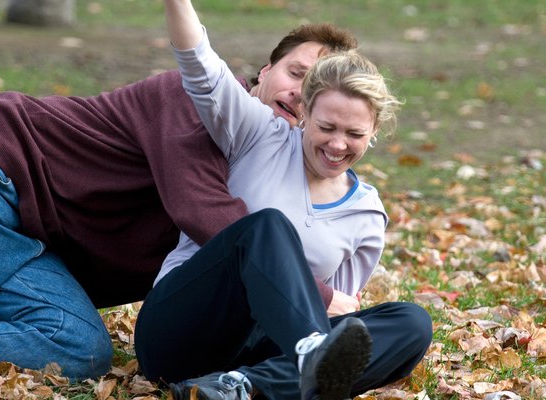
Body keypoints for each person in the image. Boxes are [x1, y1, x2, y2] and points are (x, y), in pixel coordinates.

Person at [0, 17, 359, 378]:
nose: (300, 94)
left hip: (27, 239)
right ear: (264, 70)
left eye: (316, 92)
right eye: (297, 73)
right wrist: (317, 297)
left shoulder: (272, 175)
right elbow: (204, 212)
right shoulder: (197, 104)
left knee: (79, 348)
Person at [132, 1, 434, 399]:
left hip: (255, 354)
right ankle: (306, 356)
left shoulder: (365, 215)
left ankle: (242, 388)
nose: (337, 144)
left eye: (354, 134)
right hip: (179, 332)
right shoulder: (259, 134)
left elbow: (340, 317)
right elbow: (199, 67)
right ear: (305, 111)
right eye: (326, 126)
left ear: (375, 129)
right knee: (266, 226)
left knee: (413, 322)